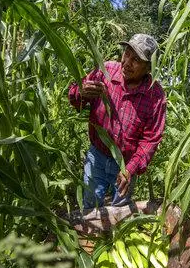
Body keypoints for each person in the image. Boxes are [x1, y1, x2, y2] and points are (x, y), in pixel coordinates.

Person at [68, 33, 166, 209]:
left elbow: (151, 140)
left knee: (120, 212)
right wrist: (80, 92)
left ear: (149, 68)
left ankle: (113, 236)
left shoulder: (155, 96)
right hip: (97, 155)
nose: (127, 62)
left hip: (125, 164)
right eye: (127, 53)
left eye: (136, 59)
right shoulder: (105, 71)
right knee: (90, 205)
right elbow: (75, 96)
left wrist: (130, 169)